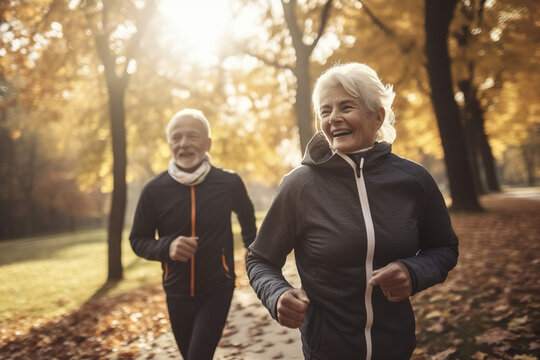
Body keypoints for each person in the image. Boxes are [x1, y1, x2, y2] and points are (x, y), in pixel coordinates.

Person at [246, 63, 458, 360]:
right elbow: (259, 260)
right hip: (327, 349)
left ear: (378, 117)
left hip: (395, 346)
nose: (334, 118)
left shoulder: (414, 181)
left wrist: (414, 271)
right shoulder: (299, 186)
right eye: (325, 110)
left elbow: (445, 247)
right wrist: (277, 294)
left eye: (346, 107)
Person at [130, 109, 257, 360]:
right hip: (176, 290)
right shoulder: (153, 190)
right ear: (169, 145)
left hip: (217, 286)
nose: (184, 144)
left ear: (208, 142)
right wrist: (167, 247)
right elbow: (137, 240)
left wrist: (251, 245)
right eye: (176, 137)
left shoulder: (228, 183)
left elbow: (246, 212)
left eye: (192, 136)